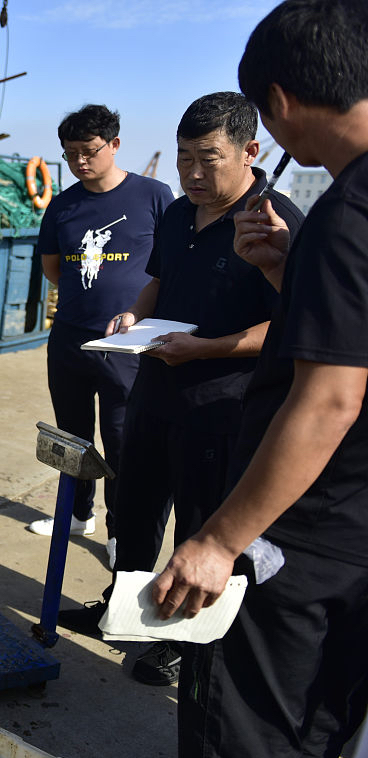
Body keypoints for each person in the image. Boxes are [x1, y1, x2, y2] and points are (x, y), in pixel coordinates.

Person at [152, 2, 368, 758]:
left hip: (309, 537)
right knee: (322, 722)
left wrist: (219, 538)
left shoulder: (349, 211)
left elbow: (331, 400)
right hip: (358, 537)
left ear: (275, 106)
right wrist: (287, 269)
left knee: (246, 745)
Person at [78, 94, 305, 686]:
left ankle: (185, 639)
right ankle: (123, 603)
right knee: (135, 505)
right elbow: (157, 280)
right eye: (184, 159)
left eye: (209, 159)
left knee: (202, 525)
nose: (194, 174)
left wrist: (205, 348)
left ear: (250, 152)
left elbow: (290, 326)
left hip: (222, 406)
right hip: (155, 388)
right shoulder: (179, 214)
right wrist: (132, 314)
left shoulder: (272, 220)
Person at [32, 105, 174, 547]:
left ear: (113, 145)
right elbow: (53, 268)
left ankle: (120, 530)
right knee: (72, 437)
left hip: (127, 344)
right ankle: (76, 514)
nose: (80, 161)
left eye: (89, 150)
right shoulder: (62, 206)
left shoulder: (154, 195)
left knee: (122, 441)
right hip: (71, 339)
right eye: (70, 153)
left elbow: (168, 266)